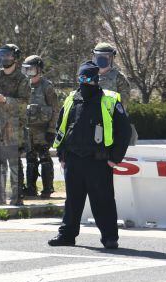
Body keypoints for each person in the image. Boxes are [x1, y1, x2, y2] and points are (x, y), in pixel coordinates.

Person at [49, 61, 131, 249]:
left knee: (103, 201)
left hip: (98, 161)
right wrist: (62, 154)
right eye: (81, 78)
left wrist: (114, 159)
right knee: (72, 201)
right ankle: (67, 235)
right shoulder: (72, 99)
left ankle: (109, 237)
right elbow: (61, 126)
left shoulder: (109, 99)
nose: (84, 82)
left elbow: (124, 132)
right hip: (73, 159)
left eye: (87, 79)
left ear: (96, 79)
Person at [0, 43, 25, 205]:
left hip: (13, 126)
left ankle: (16, 197)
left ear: (15, 58)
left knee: (13, 163)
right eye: (2, 54)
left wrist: (5, 100)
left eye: (8, 55)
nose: (4, 58)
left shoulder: (22, 79)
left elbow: (24, 103)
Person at [22, 55, 58, 199]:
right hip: (27, 130)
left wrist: (51, 130)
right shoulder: (23, 86)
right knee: (30, 159)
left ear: (39, 70)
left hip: (43, 130)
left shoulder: (46, 86)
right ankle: (30, 188)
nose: (28, 73)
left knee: (44, 158)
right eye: (26, 69)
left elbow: (55, 110)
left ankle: (47, 189)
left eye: (31, 69)